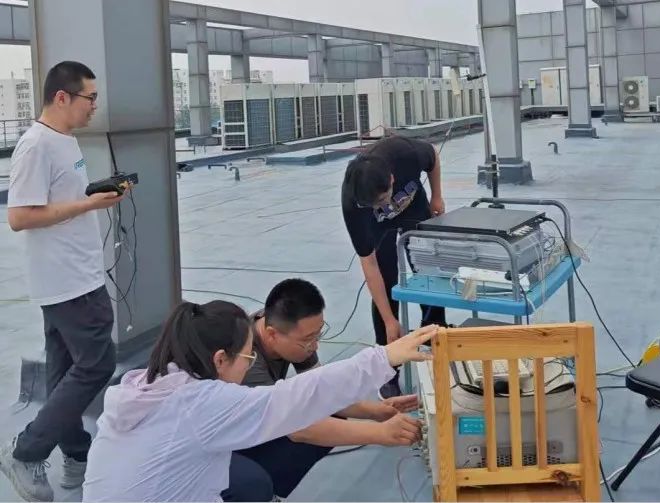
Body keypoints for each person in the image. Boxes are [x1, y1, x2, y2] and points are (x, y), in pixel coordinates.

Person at [81, 300, 435, 502]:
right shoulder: (199, 404)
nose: (250, 364)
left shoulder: (151, 383)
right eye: (248, 357)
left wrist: (373, 410)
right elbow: (297, 399)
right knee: (257, 477)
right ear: (220, 359)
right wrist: (383, 357)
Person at [0, 61, 125, 502]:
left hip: (73, 274)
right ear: (61, 97)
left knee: (63, 371)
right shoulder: (36, 145)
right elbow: (20, 216)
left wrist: (95, 195)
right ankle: (26, 451)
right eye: (90, 98)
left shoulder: (65, 141)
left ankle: (76, 453)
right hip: (69, 281)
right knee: (97, 364)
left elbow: (62, 199)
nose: (94, 106)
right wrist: (89, 206)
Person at [236, 278, 421, 499]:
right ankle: (265, 489)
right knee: (261, 475)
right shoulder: (246, 364)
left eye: (318, 334)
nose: (314, 345)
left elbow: (323, 392)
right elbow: (297, 428)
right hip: (228, 445)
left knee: (330, 411)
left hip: (264, 417)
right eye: (308, 339)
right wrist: (381, 433)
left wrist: (377, 411)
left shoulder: (285, 328)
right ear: (272, 334)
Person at [341, 135, 448, 398]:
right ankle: (388, 367)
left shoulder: (405, 154)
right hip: (379, 229)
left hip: (414, 208)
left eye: (382, 200)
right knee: (387, 283)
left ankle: (434, 335)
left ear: (391, 179)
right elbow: (369, 264)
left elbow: (433, 157)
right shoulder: (354, 203)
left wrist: (437, 196)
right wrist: (390, 320)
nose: (382, 206)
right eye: (374, 205)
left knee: (428, 274)